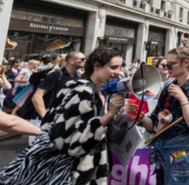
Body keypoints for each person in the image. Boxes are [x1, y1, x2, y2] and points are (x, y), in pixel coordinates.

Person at [0, 47, 138, 184]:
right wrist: (110, 114)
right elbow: (70, 143)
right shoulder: (82, 91)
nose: (118, 72)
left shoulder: (101, 92)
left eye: (120, 67)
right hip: (73, 172)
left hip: (88, 167)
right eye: (113, 67)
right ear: (96, 65)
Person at [139, 47, 189, 185]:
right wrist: (140, 118)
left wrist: (183, 100)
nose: (167, 67)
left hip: (183, 153)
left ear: (186, 63)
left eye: (172, 64)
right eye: (166, 64)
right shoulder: (167, 87)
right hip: (163, 152)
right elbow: (153, 124)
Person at [32, 51, 86, 123]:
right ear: (71, 61)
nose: (85, 61)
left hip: (60, 121)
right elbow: (36, 97)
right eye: (82, 59)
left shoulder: (77, 77)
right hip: (42, 121)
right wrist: (46, 117)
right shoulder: (56, 74)